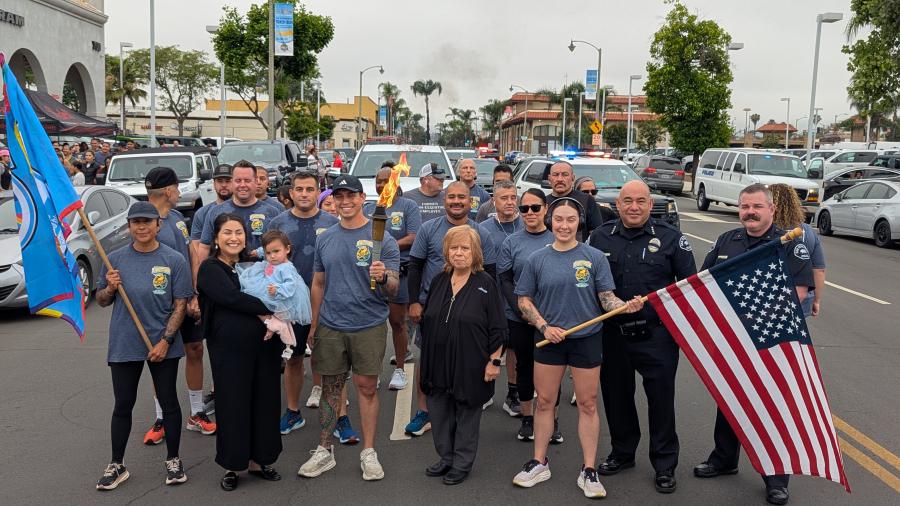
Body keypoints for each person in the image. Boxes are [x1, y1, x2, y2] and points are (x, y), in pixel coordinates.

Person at [511, 197, 643, 498]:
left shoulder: (595, 257)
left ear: (579, 222)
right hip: (549, 340)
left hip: (587, 339)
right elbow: (523, 301)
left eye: (570, 220)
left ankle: (589, 470)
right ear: (550, 220)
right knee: (545, 402)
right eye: (559, 219)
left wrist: (624, 307)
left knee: (587, 403)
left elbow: (606, 297)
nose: (564, 225)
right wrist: (545, 326)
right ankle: (539, 462)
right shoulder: (537, 259)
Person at [692, 183, 815, 506]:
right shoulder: (726, 241)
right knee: (730, 400)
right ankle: (724, 459)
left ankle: (776, 478)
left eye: (757, 207)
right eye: (745, 206)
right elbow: (704, 282)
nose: (749, 212)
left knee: (773, 408)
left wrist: (753, 320)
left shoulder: (789, 244)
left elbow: (799, 292)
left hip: (771, 342)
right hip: (732, 340)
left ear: (771, 209)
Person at [588, 180, 697, 494]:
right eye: (627, 201)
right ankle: (622, 453)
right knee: (617, 397)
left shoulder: (671, 239)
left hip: (656, 337)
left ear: (650, 205)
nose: (634, 207)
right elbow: (589, 282)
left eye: (640, 201)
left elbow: (688, 288)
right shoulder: (599, 237)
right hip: (613, 336)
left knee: (661, 402)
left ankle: (664, 464)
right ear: (618, 204)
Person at [298, 175, 400, 481]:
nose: (345, 201)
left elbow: (394, 287)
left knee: (367, 388)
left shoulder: (383, 238)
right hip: (331, 324)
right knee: (331, 389)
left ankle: (368, 451)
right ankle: (324, 449)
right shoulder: (326, 237)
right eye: (339, 196)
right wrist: (314, 323)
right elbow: (318, 282)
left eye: (351, 196)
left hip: (368, 325)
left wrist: (383, 277)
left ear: (361, 198)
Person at [95, 202, 192, 490]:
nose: (141, 227)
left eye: (147, 222)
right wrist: (110, 287)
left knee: (168, 401)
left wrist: (166, 340)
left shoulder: (174, 260)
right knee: (123, 403)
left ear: (158, 225)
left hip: (162, 343)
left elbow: (181, 304)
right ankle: (117, 464)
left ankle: (173, 460)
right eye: (136, 222)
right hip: (125, 342)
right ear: (129, 226)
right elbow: (101, 300)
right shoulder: (114, 259)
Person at [198, 213, 284, 491]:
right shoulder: (210, 268)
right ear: (216, 238)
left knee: (265, 401)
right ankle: (233, 465)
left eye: (238, 232)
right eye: (227, 232)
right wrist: (270, 306)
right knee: (233, 403)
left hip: (265, 346)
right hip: (229, 350)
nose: (233, 237)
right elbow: (231, 298)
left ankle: (262, 460)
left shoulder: (256, 266)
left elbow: (279, 288)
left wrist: (280, 300)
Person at [406, 181, 497, 436]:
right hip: (432, 308)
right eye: (452, 197)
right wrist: (414, 301)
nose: (457, 201)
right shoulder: (428, 228)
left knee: (465, 361)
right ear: (445, 199)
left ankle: (457, 408)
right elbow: (415, 266)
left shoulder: (481, 233)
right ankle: (424, 411)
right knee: (428, 361)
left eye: (462, 197)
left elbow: (490, 273)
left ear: (471, 201)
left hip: (470, 311)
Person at [420, 226, 506, 485]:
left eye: (465, 248)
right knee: (439, 411)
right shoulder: (438, 281)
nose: (459, 253)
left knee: (467, 412)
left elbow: (498, 327)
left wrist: (494, 361)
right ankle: (445, 458)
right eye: (454, 248)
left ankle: (461, 462)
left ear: (475, 252)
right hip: (436, 361)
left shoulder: (486, 284)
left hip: (471, 363)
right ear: (446, 252)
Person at [266, 172, 345, 438]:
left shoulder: (333, 222)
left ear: (318, 192)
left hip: (327, 302)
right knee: (294, 358)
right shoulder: (278, 223)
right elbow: (268, 264)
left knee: (333, 362)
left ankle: (339, 416)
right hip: (290, 306)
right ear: (290, 193)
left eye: (310, 189)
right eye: (298, 189)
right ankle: (292, 412)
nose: (304, 194)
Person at [142, 167, 216, 445]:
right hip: (161, 304)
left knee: (195, 350)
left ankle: (197, 412)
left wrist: (195, 294)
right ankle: (161, 417)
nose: (180, 192)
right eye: (177, 187)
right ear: (168, 191)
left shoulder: (178, 219)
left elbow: (192, 255)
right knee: (160, 358)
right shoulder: (143, 221)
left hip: (187, 299)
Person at [497, 189, 554, 441]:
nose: (529, 213)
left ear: (545, 209)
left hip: (551, 317)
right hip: (518, 317)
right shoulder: (512, 242)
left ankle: (552, 420)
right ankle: (528, 418)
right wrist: (521, 308)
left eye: (535, 208)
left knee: (551, 370)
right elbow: (505, 278)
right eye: (524, 209)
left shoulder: (556, 238)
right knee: (524, 367)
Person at [363, 162, 422, 390]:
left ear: (395, 182)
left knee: (397, 322)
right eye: (378, 180)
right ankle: (372, 370)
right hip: (370, 274)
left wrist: (386, 247)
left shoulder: (408, 206)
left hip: (399, 272)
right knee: (372, 325)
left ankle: (399, 369)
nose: (381, 184)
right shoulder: (369, 208)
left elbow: (413, 236)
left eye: (386, 180)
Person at [189, 164, 233, 417]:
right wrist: (197, 289)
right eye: (220, 180)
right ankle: (217, 392)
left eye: (228, 180)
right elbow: (198, 250)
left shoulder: (238, 210)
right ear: (214, 184)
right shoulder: (204, 213)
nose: (224, 185)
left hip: (234, 284)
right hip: (212, 286)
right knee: (214, 342)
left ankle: (226, 391)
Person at [478, 180, 523, 417]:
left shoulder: (526, 224)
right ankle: (485, 391)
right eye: (504, 198)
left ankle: (513, 393)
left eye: (513, 197)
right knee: (488, 345)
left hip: (516, 299)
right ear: (493, 201)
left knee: (513, 348)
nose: (509, 202)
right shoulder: (483, 227)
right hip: (489, 296)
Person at [239, 230, 312, 359]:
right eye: (268, 253)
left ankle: (287, 339)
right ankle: (275, 328)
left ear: (287, 249)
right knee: (257, 303)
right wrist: (259, 252)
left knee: (280, 314)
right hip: (270, 289)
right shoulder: (271, 262)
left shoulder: (287, 268)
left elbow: (291, 284)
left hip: (284, 295)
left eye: (276, 252)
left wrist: (278, 289)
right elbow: (269, 247)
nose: (272, 256)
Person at [198, 161, 283, 260]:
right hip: (226, 273)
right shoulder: (216, 212)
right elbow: (205, 247)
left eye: (247, 180)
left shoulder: (273, 212)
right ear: (232, 182)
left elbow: (280, 247)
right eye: (238, 180)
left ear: (255, 182)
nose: (242, 185)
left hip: (263, 273)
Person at [770, 183, 826, 317]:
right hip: (802, 297)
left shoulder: (765, 229)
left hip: (769, 296)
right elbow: (818, 270)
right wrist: (816, 300)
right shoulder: (808, 231)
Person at [546, 161, 603, 241]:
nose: (559, 179)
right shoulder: (543, 203)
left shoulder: (587, 200)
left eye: (565, 175)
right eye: (555, 175)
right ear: (549, 179)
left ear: (573, 178)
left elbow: (596, 234)